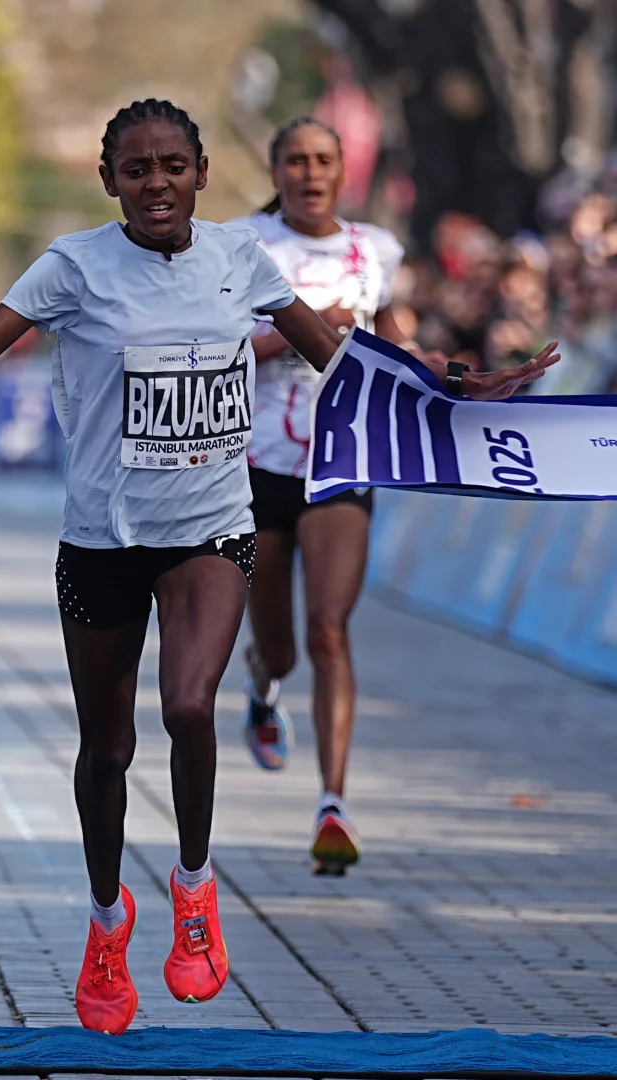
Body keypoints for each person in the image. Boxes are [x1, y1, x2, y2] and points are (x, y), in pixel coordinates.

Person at [0, 99, 559, 1036]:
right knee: (105, 751)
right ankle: (105, 921)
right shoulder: (73, 267)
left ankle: (193, 888)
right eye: (136, 171)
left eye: (172, 166)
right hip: (101, 539)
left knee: (185, 707)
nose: (156, 185)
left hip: (209, 529)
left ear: (202, 173)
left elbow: (338, 359)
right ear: (110, 183)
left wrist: (449, 382)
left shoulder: (236, 260)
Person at [239, 116, 440, 875]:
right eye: (294, 160)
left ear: (339, 170)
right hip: (256, 464)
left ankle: (333, 803)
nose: (310, 172)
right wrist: (300, 331)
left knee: (328, 628)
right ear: (276, 169)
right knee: (284, 648)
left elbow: (395, 346)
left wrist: (442, 372)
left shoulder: (375, 251)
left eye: (323, 159)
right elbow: (209, 345)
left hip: (342, 459)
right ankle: (262, 684)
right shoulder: (238, 243)